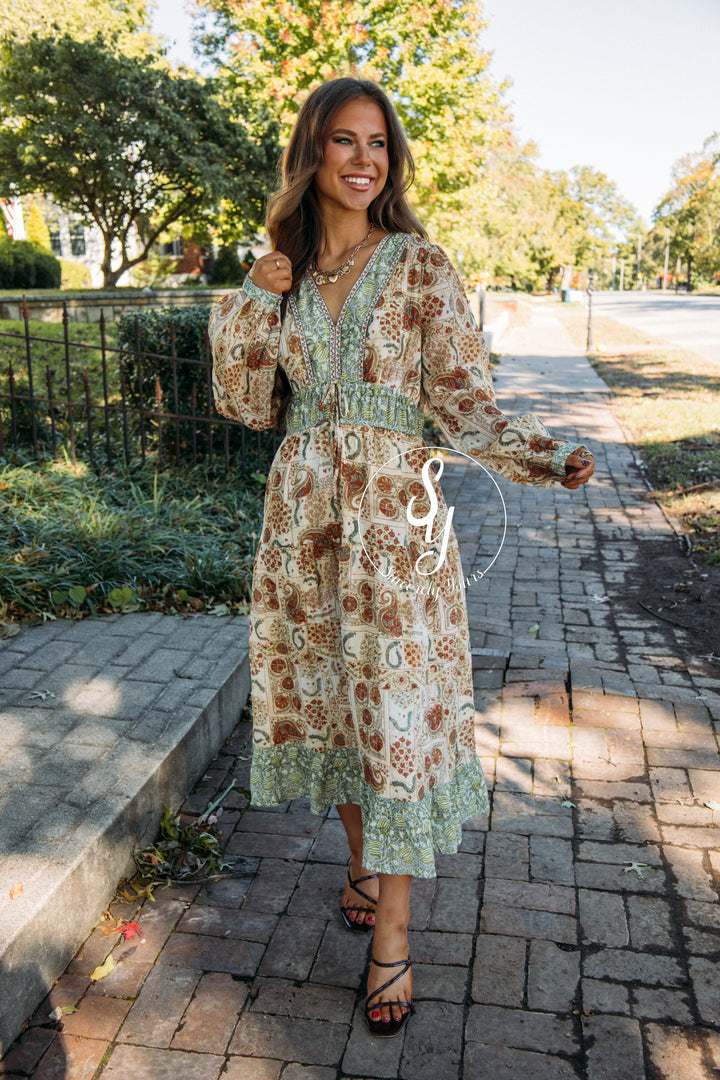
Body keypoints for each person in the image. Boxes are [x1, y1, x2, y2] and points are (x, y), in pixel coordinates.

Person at [208, 77, 594, 1039]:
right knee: (333, 706)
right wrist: (253, 297)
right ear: (313, 154)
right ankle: (360, 861)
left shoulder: (421, 265)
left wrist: (543, 455)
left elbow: (463, 403)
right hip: (302, 524)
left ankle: (393, 932)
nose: (363, 159)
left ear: (393, 159)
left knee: (395, 718)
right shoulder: (283, 273)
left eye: (377, 142)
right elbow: (245, 405)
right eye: (344, 140)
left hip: (394, 531)